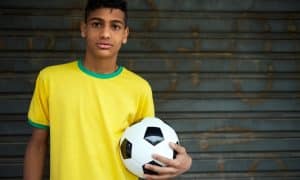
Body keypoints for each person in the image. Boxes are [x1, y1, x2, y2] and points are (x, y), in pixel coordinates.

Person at [23, 0, 192, 179]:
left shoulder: (139, 88)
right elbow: (37, 144)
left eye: (115, 26)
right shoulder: (50, 79)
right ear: (84, 29)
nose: (105, 34)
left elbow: (151, 148)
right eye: (97, 24)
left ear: (125, 34)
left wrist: (184, 161)